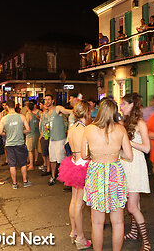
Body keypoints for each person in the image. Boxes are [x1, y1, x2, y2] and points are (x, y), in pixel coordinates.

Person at [81, 98, 133, 251]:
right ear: (114, 112)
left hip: (96, 173)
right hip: (115, 173)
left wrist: (96, 155)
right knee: (118, 222)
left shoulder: (89, 129)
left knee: (97, 222)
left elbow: (84, 155)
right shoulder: (120, 129)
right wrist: (116, 152)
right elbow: (129, 156)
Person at [57, 101, 92, 249]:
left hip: (73, 164)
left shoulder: (72, 128)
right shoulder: (87, 129)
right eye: (90, 112)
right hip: (83, 165)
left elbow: (66, 147)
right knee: (79, 204)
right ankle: (81, 238)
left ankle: (73, 231)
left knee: (74, 200)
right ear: (86, 113)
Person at [119, 93, 151, 251]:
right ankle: (133, 233)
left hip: (136, 166)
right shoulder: (126, 122)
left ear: (131, 105)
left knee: (131, 207)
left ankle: (146, 241)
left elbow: (147, 148)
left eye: (124, 104)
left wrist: (129, 142)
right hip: (126, 165)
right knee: (134, 204)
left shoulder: (140, 123)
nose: (121, 107)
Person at [0, 99, 31, 189]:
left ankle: (14, 183)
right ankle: (25, 181)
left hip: (9, 144)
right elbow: (28, 130)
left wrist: (7, 133)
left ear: (7, 107)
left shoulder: (4, 119)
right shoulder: (21, 117)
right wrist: (21, 132)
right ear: (15, 106)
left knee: (12, 164)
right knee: (23, 163)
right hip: (20, 143)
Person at [44, 94, 73, 186]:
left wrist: (78, 110)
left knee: (62, 160)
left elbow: (68, 111)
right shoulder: (47, 113)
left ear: (53, 101)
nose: (47, 101)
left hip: (60, 139)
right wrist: (47, 129)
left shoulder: (58, 108)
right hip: (52, 140)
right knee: (52, 159)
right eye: (45, 100)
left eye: (49, 99)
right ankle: (53, 176)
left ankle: (65, 178)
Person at [25, 101, 40, 171]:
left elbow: (26, 124)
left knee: (30, 150)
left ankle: (31, 165)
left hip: (30, 134)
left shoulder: (28, 115)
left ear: (27, 107)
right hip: (36, 134)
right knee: (35, 148)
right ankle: (34, 161)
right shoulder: (34, 114)